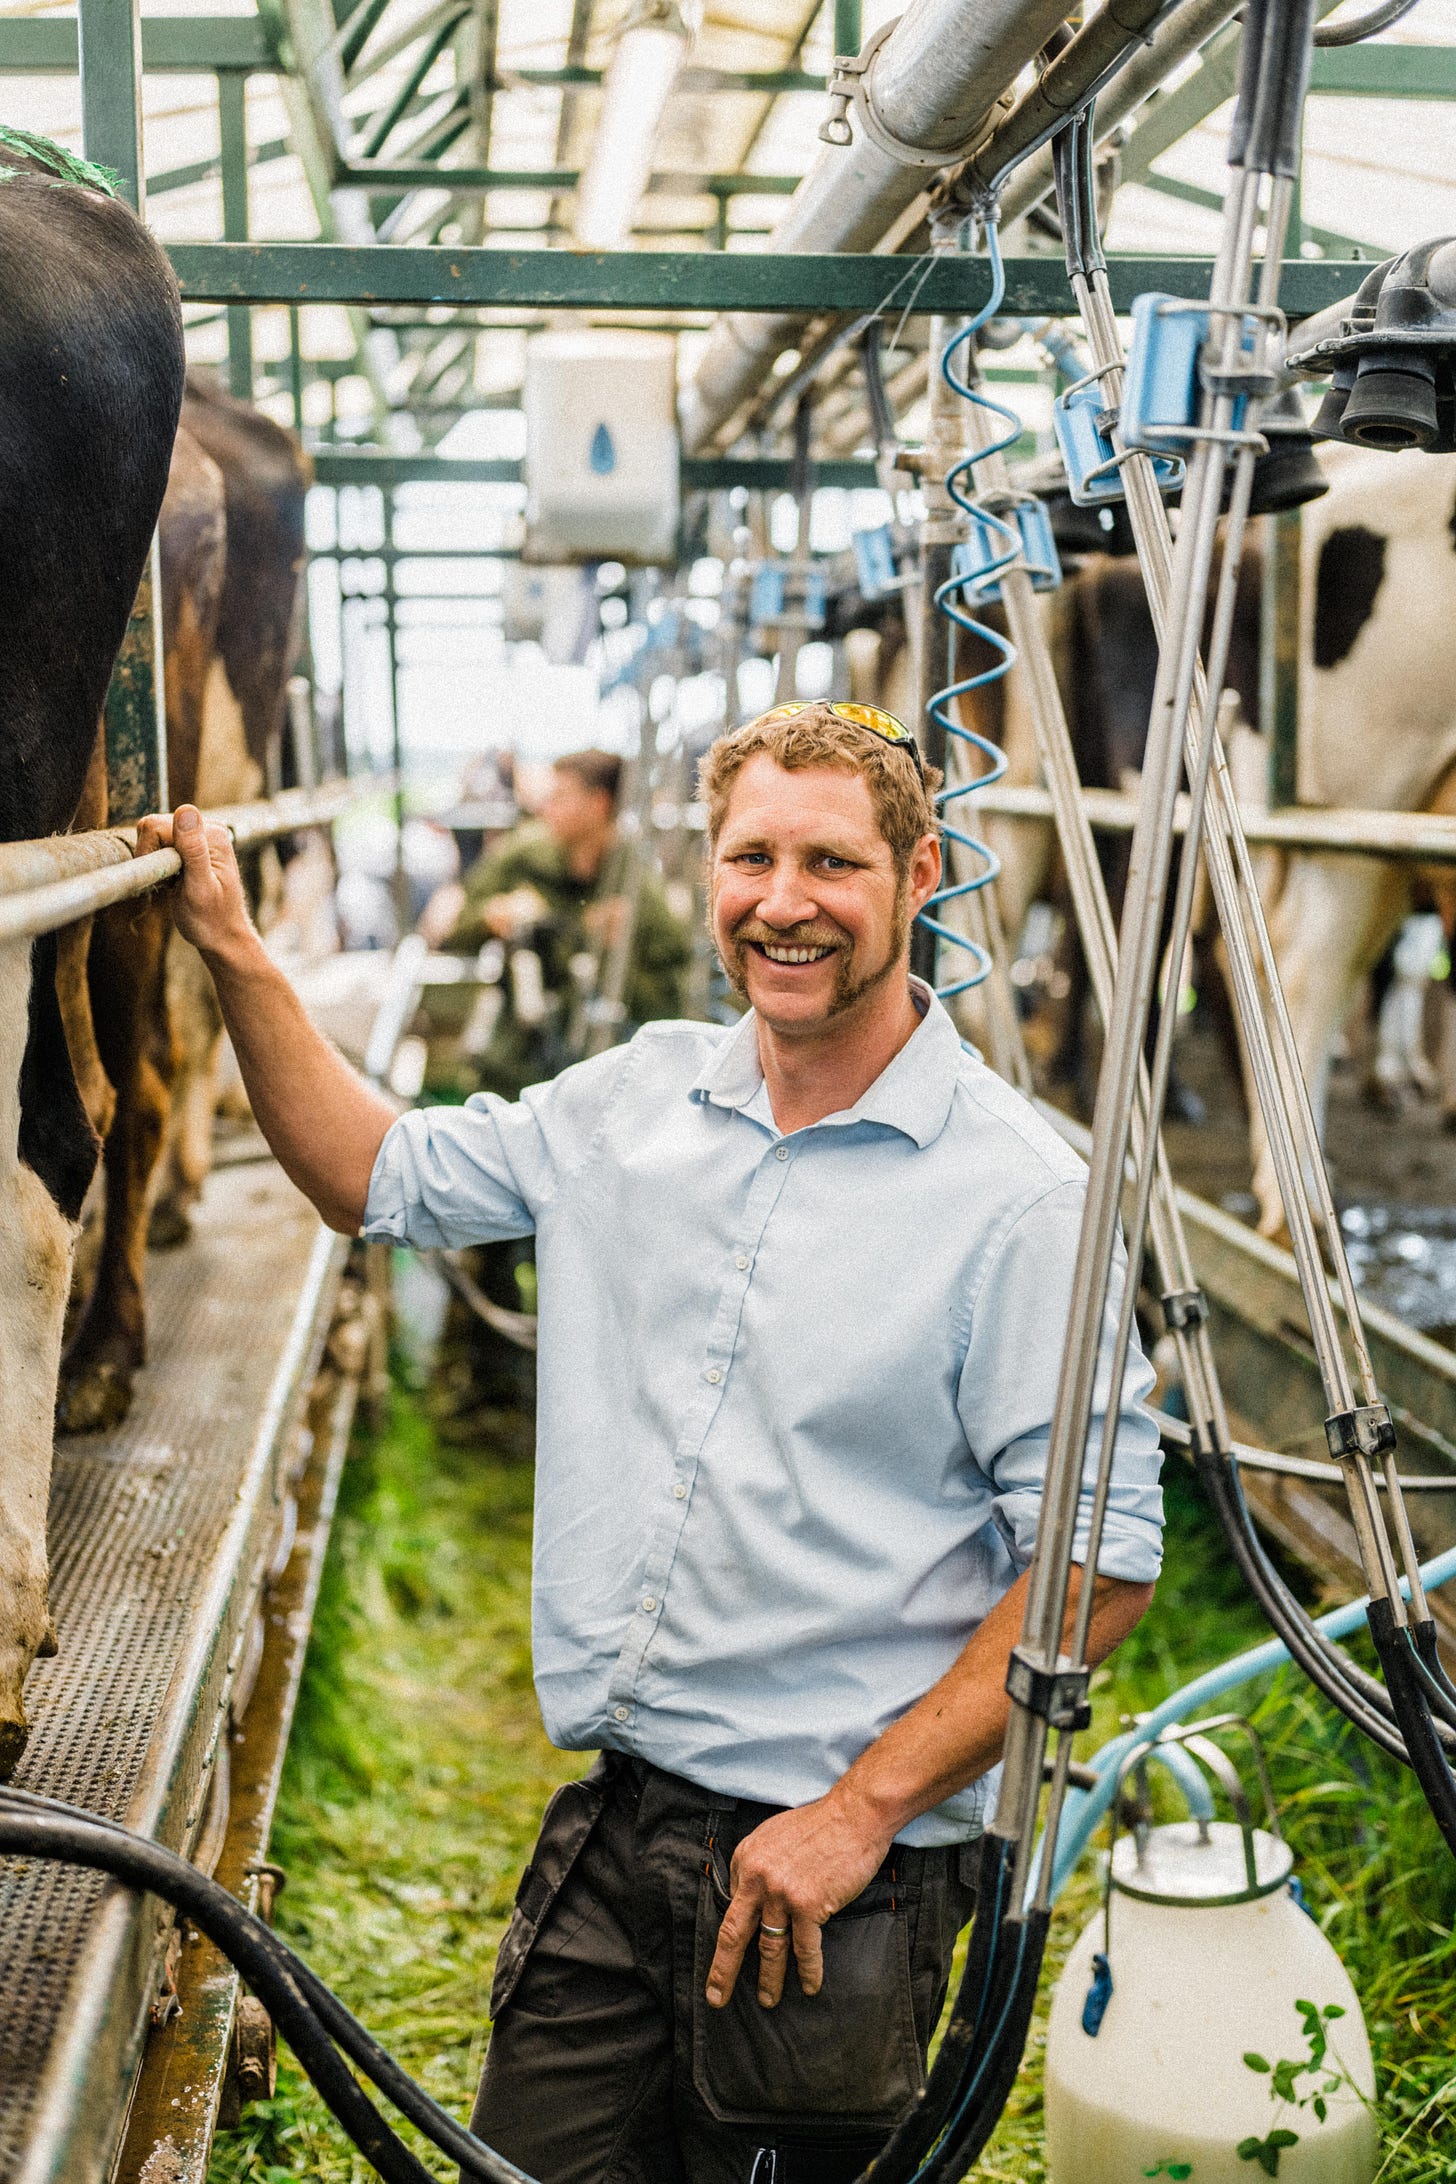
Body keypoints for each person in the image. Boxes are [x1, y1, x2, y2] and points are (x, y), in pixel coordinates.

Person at [137, 698, 1163, 2184]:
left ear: (922, 872)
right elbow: (369, 1174)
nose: (785, 903)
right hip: (623, 1833)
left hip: (835, 1877)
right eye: (752, 857)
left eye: (833, 863)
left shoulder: (1016, 1202)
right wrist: (236, 949)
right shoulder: (631, 1106)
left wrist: (863, 1809)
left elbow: (1098, 1561)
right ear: (709, 873)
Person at [424, 746, 693, 1429]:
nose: (548, 808)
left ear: (600, 807)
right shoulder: (521, 858)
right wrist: (490, 919)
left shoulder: (633, 882)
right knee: (494, 1233)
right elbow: (447, 931)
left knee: (589, 1238)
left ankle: (583, 1391)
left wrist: (614, 953)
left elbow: (674, 984)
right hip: (518, 1071)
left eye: (564, 796)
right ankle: (491, 1388)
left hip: (598, 1084)